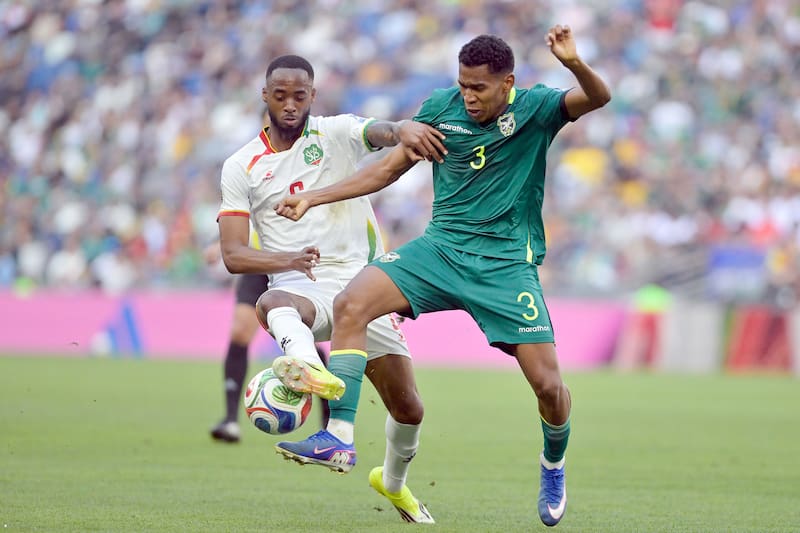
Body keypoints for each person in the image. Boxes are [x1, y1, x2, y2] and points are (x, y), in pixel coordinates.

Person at [274, 29, 611, 527]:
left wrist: (575, 62)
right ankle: (339, 436)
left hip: (504, 266)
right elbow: (386, 171)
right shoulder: (441, 108)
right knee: (351, 303)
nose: (468, 96)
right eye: (462, 85)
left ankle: (553, 464)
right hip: (441, 250)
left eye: (479, 87)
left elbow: (599, 97)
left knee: (548, 386)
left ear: (507, 84)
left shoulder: (536, 108)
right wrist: (313, 197)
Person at [217, 54, 446, 523]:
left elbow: (380, 132)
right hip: (303, 284)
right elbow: (234, 255)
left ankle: (393, 484)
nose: (290, 104)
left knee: (409, 409)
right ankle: (307, 367)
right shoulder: (241, 166)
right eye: (280, 95)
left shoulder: (334, 132)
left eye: (299, 96)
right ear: (265, 95)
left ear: (312, 96)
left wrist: (402, 128)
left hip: (364, 282)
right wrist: (289, 260)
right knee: (272, 301)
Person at [205, 235, 331, 443]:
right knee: (240, 331)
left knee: (305, 342)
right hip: (261, 261)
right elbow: (245, 220)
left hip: (296, 263)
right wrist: (221, 242)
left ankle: (329, 420)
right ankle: (230, 421)